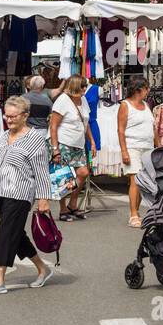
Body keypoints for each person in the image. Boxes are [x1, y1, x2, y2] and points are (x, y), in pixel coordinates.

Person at [0, 96, 56, 295]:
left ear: (25, 116)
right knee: (15, 234)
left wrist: (43, 198)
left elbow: (41, 171)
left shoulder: (35, 139)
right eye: (6, 115)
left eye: (13, 116)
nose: (9, 119)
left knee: (5, 233)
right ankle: (43, 268)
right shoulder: (4, 135)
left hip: (20, 193)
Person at [49, 75, 95, 221]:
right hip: (63, 143)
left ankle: (73, 204)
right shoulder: (63, 100)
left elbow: (85, 122)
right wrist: (55, 148)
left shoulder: (83, 99)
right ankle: (63, 209)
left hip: (78, 144)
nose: (85, 89)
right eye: (83, 86)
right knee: (64, 177)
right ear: (76, 86)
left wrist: (92, 142)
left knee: (83, 172)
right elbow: (53, 126)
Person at [117, 79, 155, 228]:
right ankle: (133, 214)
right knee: (135, 180)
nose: (148, 91)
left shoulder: (146, 105)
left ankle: (137, 211)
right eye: (146, 89)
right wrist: (124, 151)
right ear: (139, 89)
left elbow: (153, 128)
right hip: (133, 147)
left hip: (148, 147)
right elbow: (120, 130)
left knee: (142, 181)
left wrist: (158, 147)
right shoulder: (125, 105)